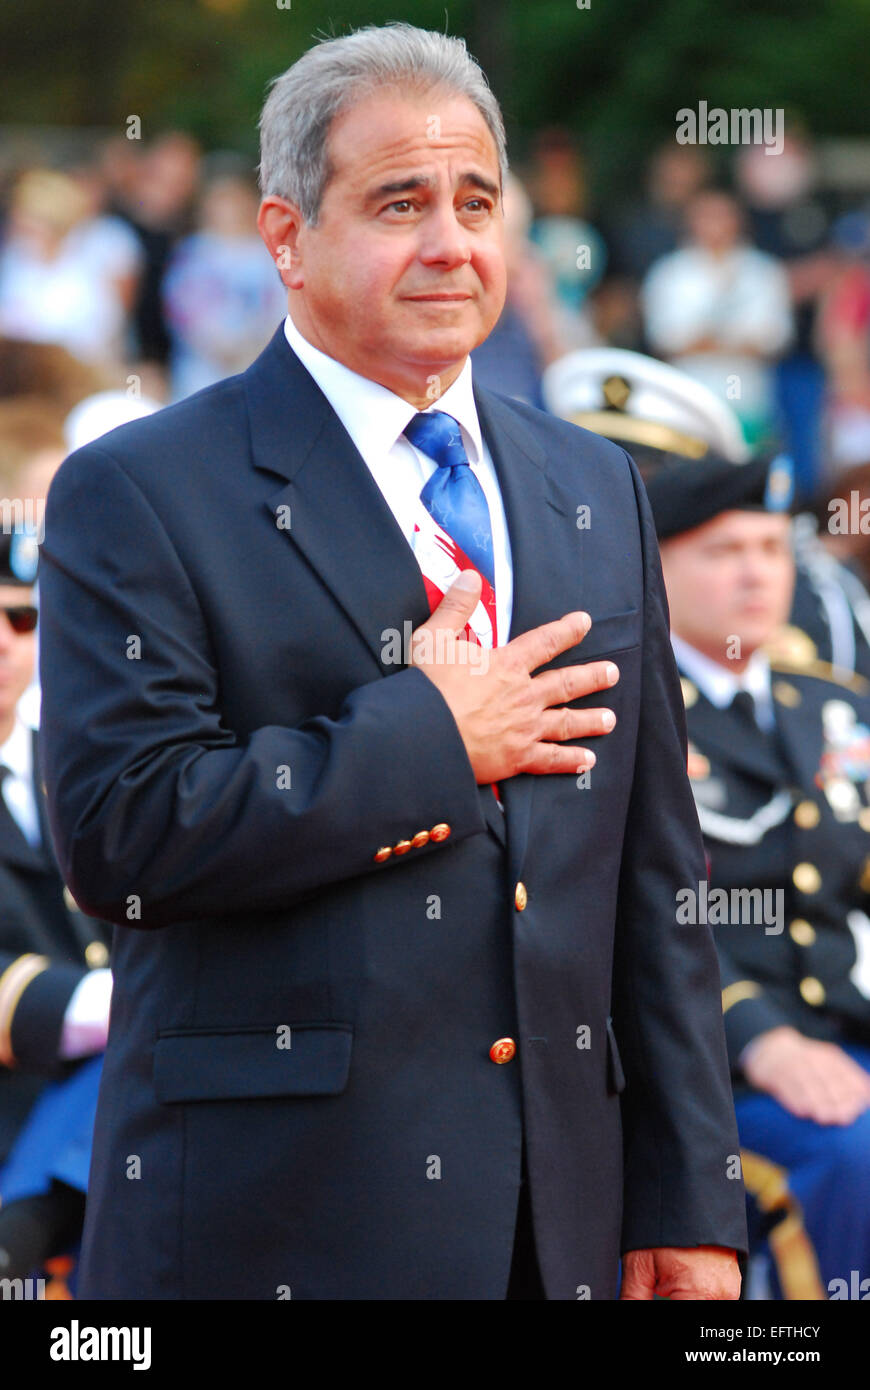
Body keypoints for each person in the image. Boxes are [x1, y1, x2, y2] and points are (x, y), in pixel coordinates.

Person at [39, 23, 746, 1301]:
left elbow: (654, 874)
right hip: (283, 1222)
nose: (451, 243)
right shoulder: (135, 491)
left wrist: (690, 1193)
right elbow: (118, 835)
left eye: (478, 201)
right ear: (286, 237)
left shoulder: (595, 484)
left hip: (565, 1224)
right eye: (399, 202)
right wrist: (427, 736)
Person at [646, 449, 870, 1296]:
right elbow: (650, 909)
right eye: (724, 551)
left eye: (773, 549)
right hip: (714, 1068)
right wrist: (760, 1036)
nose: (756, 575)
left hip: (849, 1031)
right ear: (657, 566)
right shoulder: (634, 710)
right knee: (853, 1155)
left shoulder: (836, 704)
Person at [0, 525, 112, 1280]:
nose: (4, 641)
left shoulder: (75, 758)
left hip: (98, 1128)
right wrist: (110, 1001)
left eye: (22, 618)